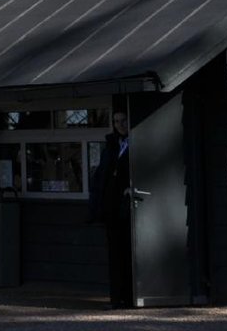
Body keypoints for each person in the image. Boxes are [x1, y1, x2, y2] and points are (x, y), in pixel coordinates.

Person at [90, 109, 133, 307]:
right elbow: (102, 175)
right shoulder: (111, 146)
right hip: (111, 208)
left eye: (123, 120)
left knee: (129, 253)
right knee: (116, 255)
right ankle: (117, 297)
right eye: (116, 121)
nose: (120, 125)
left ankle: (131, 295)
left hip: (129, 206)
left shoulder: (135, 143)